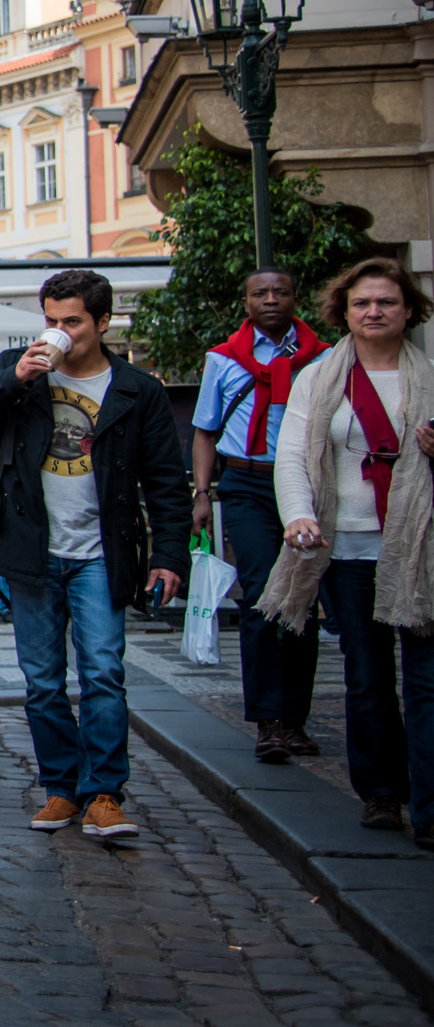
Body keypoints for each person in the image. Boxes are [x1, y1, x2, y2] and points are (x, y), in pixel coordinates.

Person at [0, 267, 189, 841]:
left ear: (103, 323)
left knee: (103, 672)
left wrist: (171, 556)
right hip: (32, 547)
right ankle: (60, 788)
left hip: (103, 551)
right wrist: (17, 379)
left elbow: (164, 482)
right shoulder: (19, 371)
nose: (60, 332)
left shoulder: (136, 389)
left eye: (73, 322)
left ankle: (104, 792)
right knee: (43, 679)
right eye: (51, 321)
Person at [263, 259, 434, 849]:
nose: (375, 312)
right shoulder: (319, 377)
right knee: (367, 677)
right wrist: (300, 515)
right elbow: (291, 454)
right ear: (346, 311)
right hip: (351, 549)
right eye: (363, 304)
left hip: (421, 550)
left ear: (409, 310)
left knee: (428, 680)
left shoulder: (432, 374)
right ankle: (382, 794)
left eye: (387, 302)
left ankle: (431, 807)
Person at [194, 268, 328, 764]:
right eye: (260, 293)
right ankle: (268, 721)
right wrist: (202, 493)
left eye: (281, 292)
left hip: (307, 485)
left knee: (302, 600)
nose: (271, 299)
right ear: (246, 302)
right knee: (259, 594)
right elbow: (205, 431)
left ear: (296, 297)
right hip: (248, 484)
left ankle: (295, 719)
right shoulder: (222, 360)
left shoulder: (326, 358)